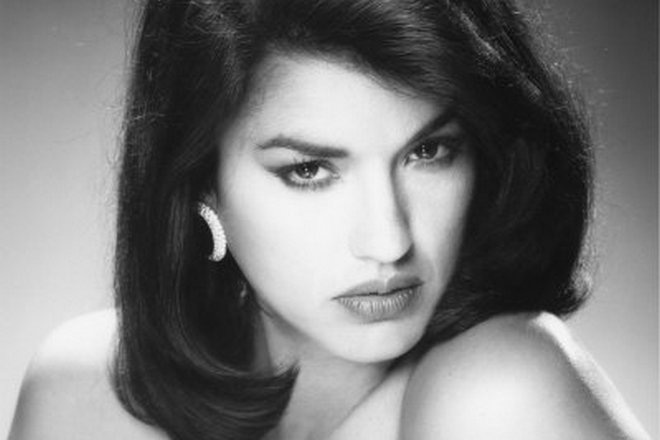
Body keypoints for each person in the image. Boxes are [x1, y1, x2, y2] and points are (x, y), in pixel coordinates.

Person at [8, 0, 652, 439]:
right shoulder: (85, 388)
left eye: (429, 152)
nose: (388, 241)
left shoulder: (500, 388)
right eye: (310, 170)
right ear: (201, 179)